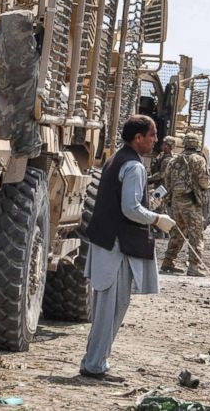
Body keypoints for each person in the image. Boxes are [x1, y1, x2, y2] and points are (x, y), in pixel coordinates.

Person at [80, 115, 176, 382]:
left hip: (108, 244)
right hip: (116, 248)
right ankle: (94, 365)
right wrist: (158, 219)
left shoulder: (117, 160)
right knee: (110, 310)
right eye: (152, 135)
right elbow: (131, 209)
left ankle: (95, 362)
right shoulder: (134, 167)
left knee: (107, 309)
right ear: (138, 138)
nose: (156, 140)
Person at [160, 133, 210, 277]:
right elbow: (204, 181)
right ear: (197, 145)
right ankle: (194, 266)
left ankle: (168, 261)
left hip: (176, 201)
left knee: (178, 232)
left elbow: (167, 180)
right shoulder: (198, 160)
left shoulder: (174, 160)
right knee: (196, 234)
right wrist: (206, 188)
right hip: (191, 202)